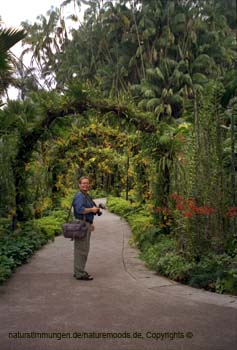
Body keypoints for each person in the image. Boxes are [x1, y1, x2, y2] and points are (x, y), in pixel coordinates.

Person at [72, 176, 100, 281]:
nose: (85, 185)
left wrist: (91, 222)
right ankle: (79, 273)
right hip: (81, 224)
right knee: (82, 249)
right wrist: (92, 210)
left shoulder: (86, 195)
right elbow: (80, 210)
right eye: (83, 183)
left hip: (85, 223)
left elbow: (89, 210)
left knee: (82, 248)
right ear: (79, 185)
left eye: (87, 183)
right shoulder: (80, 196)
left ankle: (78, 270)